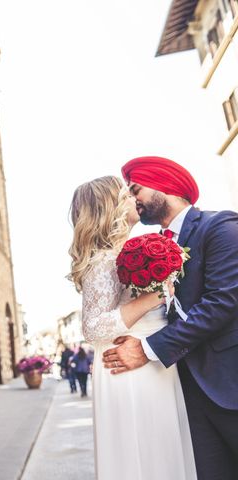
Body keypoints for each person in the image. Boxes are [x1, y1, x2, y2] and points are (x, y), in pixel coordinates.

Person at [102, 156, 238, 480]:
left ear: (165, 184)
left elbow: (222, 302)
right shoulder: (145, 249)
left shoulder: (220, 227)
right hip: (181, 390)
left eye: (136, 189)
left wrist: (146, 349)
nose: (133, 200)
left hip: (229, 382)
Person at [68, 175, 196, 479]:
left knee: (163, 453)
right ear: (109, 208)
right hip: (127, 368)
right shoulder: (103, 260)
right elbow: (94, 328)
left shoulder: (134, 249)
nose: (133, 199)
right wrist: (156, 296)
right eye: (125, 196)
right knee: (143, 456)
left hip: (154, 361)